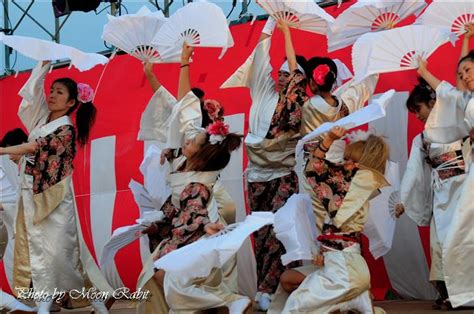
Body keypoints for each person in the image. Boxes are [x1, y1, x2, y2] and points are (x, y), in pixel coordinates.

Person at [0, 61, 112, 313]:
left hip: (55, 198)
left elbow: (33, 148)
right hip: (31, 194)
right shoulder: (42, 119)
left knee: (62, 252)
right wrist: (42, 65)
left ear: (72, 102)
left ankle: (66, 302)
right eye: (52, 90)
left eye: (59, 92)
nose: (51, 95)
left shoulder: (66, 129)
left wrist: (3, 149)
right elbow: (31, 96)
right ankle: (51, 302)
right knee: (41, 249)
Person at [221, 18, 311, 309]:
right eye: (281, 72)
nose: (283, 77)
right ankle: (266, 288)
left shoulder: (300, 109)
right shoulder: (262, 92)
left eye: (289, 74)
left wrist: (287, 34)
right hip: (256, 177)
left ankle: (276, 289)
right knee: (260, 235)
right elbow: (260, 58)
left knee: (280, 233)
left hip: (282, 177)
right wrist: (271, 24)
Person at [269, 126, 389, 313]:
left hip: (343, 271)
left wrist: (328, 140)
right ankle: (351, 303)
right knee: (290, 284)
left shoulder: (349, 186)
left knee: (296, 306)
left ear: (360, 164)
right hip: (344, 266)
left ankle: (348, 302)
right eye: (345, 159)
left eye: (351, 160)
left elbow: (314, 169)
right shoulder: (358, 186)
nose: (345, 164)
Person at [415, 23, 474, 308]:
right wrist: (424, 72)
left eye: (469, 71)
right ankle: (460, 292)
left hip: (463, 173)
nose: (464, 76)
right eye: (462, 72)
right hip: (458, 179)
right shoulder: (465, 100)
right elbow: (450, 88)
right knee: (461, 234)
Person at [395, 79, 467, 309]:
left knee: (465, 241)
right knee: (439, 245)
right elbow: (413, 171)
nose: (417, 115)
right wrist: (403, 200)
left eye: (419, 108)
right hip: (441, 197)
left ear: (433, 102)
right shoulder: (422, 140)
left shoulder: (460, 127)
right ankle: (448, 294)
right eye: (413, 111)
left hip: (465, 194)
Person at [0, 128, 36, 312]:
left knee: (20, 258)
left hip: (17, 213)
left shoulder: (22, 162)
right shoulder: (10, 161)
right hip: (10, 214)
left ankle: (29, 302)